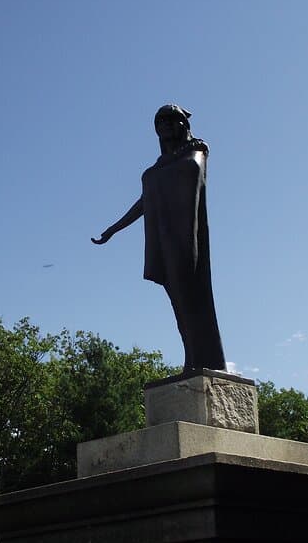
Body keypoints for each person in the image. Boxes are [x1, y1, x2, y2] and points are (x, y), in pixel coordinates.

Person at [92, 104, 225, 372]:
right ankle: (193, 359)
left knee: (193, 302)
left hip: (186, 240)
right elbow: (144, 203)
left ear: (182, 125)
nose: (164, 127)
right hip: (164, 242)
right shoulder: (159, 166)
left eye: (169, 121)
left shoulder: (196, 151)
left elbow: (192, 177)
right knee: (179, 305)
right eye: (159, 124)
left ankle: (207, 361)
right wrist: (113, 229)